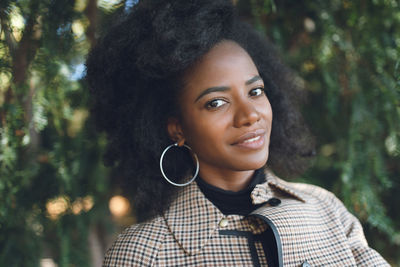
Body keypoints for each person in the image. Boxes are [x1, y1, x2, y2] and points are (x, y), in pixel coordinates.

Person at [86, 0, 390, 266]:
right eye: (216, 102)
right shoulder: (143, 254)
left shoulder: (325, 209)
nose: (249, 115)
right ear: (176, 128)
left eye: (255, 91)